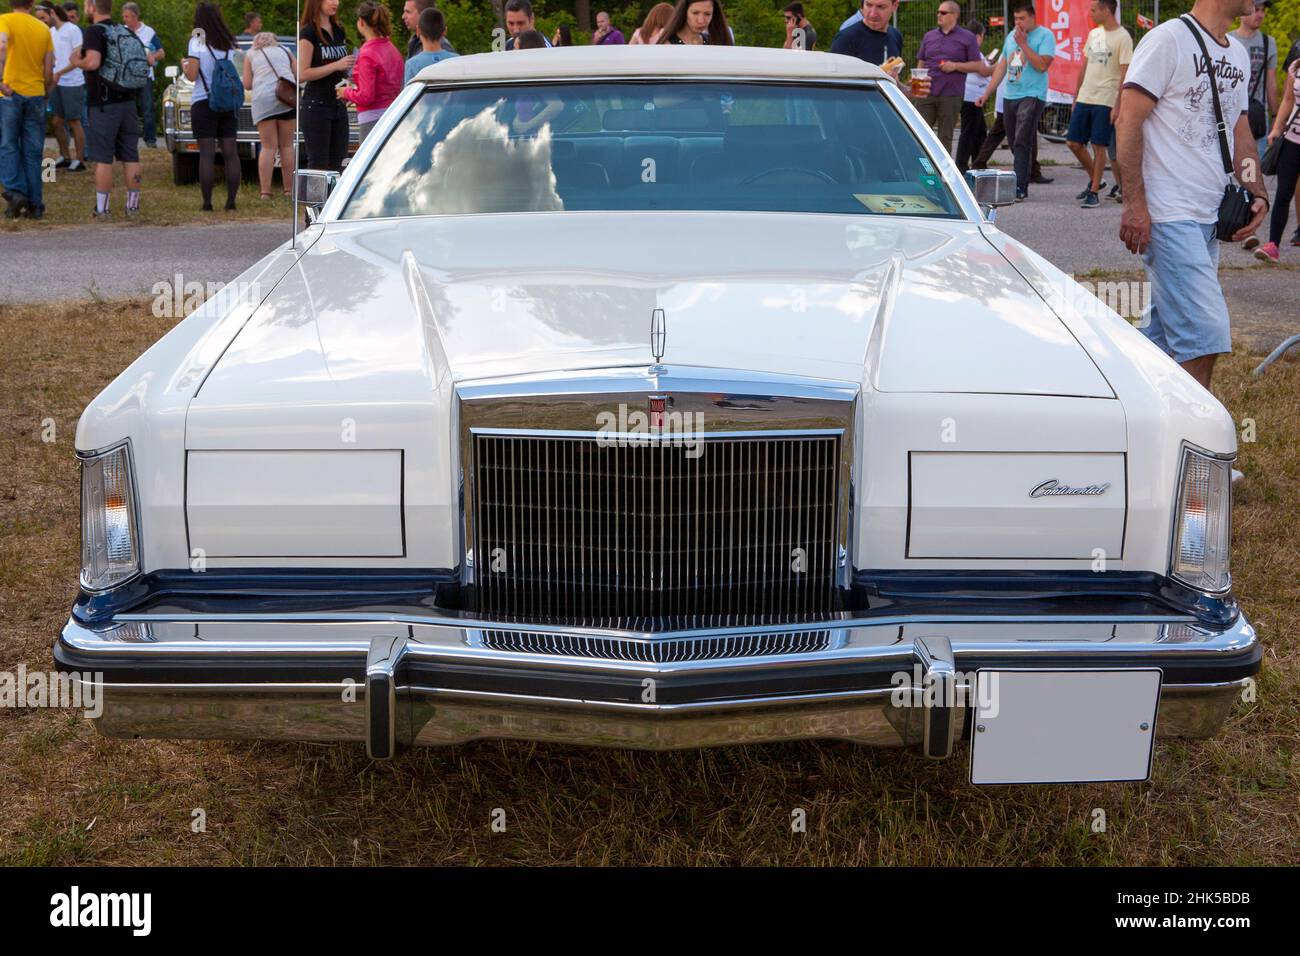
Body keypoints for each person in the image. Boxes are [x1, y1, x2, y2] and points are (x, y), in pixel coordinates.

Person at [1116, 0, 1268, 390]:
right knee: (1204, 333)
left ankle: (1118, 406)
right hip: (1169, 213)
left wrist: (1256, 189)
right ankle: (1194, 435)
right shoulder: (1166, 40)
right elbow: (1127, 120)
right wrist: (1135, 204)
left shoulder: (1236, 52)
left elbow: (1240, 129)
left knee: (1161, 337)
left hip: (1209, 215)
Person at [69, 0, 141, 218]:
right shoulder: (123, 30)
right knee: (131, 156)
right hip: (128, 102)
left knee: (103, 157)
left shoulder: (94, 31)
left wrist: (76, 61)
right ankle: (133, 207)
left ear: (91, 6)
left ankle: (102, 209)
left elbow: (92, 62)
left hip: (104, 104)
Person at [976, 3, 1054, 201]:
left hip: (1032, 95)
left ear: (1032, 17)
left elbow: (1042, 65)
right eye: (1016, 19)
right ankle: (1023, 173)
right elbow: (1002, 66)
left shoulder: (1045, 35)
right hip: (1010, 95)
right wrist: (987, 93)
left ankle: (1020, 186)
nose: (1018, 23)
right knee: (1013, 141)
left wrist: (1025, 44)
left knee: (1022, 139)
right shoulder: (1011, 36)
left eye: (1022, 18)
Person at [1065, 0, 1132, 208]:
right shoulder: (1094, 34)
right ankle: (1098, 180)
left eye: (1094, 10)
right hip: (1086, 96)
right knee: (1073, 143)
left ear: (1106, 11)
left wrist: (1118, 104)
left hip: (1106, 98)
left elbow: (1124, 74)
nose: (1090, 13)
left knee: (1099, 145)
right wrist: (1076, 95)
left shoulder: (1123, 37)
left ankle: (1093, 191)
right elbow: (1085, 66)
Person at [183, 2, 242, 211]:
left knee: (207, 154)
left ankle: (207, 203)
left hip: (204, 101)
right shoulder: (228, 41)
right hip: (227, 102)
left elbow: (192, 75)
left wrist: (184, 65)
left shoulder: (197, 40)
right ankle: (231, 202)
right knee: (230, 152)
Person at [0, 0, 54, 218]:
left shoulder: (5, 20)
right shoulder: (43, 28)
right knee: (33, 152)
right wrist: (46, 90)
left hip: (10, 93)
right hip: (35, 92)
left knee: (8, 145)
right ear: (31, 4)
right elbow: (49, 66)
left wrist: (1, 79)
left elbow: (2, 45)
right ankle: (36, 204)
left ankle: (15, 192)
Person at [1232, 0, 1277, 249]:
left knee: (1251, 170)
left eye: (1263, 10)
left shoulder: (1268, 42)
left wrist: (1276, 120)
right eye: (1257, 8)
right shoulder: (1227, 38)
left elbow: (1271, 83)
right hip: (1230, 118)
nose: (1260, 14)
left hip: (1256, 118)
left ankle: (1247, 225)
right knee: (1230, 172)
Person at [913, 2, 982, 155]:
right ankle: (918, 170)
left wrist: (955, 66)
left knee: (945, 137)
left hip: (951, 94)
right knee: (918, 133)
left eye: (943, 12)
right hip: (926, 91)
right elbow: (921, 61)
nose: (939, 15)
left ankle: (944, 175)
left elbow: (977, 66)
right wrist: (917, 80)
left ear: (955, 15)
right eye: (938, 12)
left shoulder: (967, 37)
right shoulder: (929, 36)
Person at [298, 0, 354, 172]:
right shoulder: (308, 32)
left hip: (338, 103)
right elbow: (302, 74)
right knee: (318, 163)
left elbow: (342, 68)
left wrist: (349, 83)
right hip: (316, 105)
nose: (335, 3)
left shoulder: (339, 30)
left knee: (340, 162)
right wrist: (335, 65)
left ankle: (336, 198)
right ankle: (317, 199)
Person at [1254, 57, 1300, 261]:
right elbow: (1288, 99)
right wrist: (1276, 128)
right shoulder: (1296, 66)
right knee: (1283, 193)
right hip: (1292, 140)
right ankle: (1273, 245)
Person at [337, 0, 401, 142]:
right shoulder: (392, 49)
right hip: (393, 115)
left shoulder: (367, 53)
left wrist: (346, 92)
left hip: (372, 119)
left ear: (361, 22)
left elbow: (366, 96)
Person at [242, 30, 295, 199]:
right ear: (274, 41)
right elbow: (298, 74)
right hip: (286, 100)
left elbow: (248, 84)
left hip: (263, 102)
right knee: (286, 146)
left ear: (256, 42)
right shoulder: (285, 50)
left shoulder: (250, 54)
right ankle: (289, 190)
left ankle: (265, 192)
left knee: (268, 147)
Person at [48, 1, 85, 172]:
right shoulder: (51, 31)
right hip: (57, 82)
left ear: (54, 14)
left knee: (74, 121)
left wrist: (60, 72)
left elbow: (77, 59)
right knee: (56, 121)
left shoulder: (73, 30)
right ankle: (64, 155)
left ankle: (79, 160)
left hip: (72, 82)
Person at [121, 3, 161, 149]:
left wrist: (152, 56)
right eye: (123, 16)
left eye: (127, 16)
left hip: (145, 77)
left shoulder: (148, 32)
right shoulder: (121, 31)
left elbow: (161, 52)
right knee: (126, 109)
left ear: (135, 16)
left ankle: (150, 140)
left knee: (147, 109)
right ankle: (127, 139)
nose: (124, 19)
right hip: (126, 77)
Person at [954, 18, 992, 173]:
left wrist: (987, 62)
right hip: (971, 98)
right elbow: (983, 71)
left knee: (979, 132)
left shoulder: (966, 49)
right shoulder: (971, 49)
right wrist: (1001, 64)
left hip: (972, 96)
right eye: (982, 36)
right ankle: (962, 165)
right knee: (969, 132)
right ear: (977, 37)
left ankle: (978, 163)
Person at [830, 0, 902, 80]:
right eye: (869, 5)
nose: (873, 14)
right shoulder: (845, 39)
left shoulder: (896, 36)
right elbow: (836, 84)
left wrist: (908, 89)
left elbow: (895, 83)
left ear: (895, 6)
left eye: (880, 7)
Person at [404, 5, 454, 82]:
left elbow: (409, 93)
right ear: (445, 31)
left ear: (418, 30)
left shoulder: (412, 65)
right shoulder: (456, 60)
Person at [658, 0, 731, 46]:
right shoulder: (668, 46)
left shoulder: (715, 43)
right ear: (684, 12)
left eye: (707, 14)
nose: (701, 20)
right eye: (695, 13)